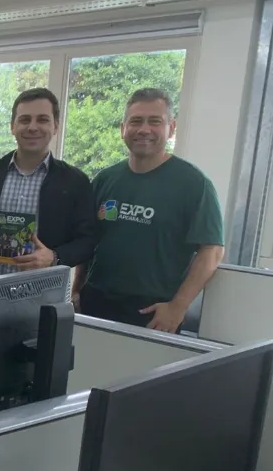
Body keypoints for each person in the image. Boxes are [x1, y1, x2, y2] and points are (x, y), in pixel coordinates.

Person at [74, 88, 224, 332]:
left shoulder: (194, 184)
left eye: (155, 121)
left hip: (154, 312)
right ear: (123, 128)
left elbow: (212, 251)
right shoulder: (105, 179)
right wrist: (76, 290)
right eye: (136, 121)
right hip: (95, 302)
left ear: (171, 128)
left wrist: (178, 307)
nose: (144, 129)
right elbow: (88, 241)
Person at [0, 88, 96, 279]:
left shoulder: (76, 182)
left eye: (42, 119)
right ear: (12, 126)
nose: (32, 127)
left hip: (44, 290)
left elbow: (87, 240)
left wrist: (54, 257)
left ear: (55, 126)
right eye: (25, 120)